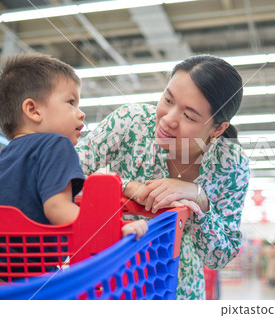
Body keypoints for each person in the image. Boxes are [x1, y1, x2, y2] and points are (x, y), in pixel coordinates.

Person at [0, 53, 147, 289]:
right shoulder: (57, 144)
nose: (81, 112)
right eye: (71, 102)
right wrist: (115, 229)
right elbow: (57, 208)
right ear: (33, 110)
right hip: (13, 280)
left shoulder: (6, 155)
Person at [76, 54, 250, 299]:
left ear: (218, 129)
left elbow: (220, 255)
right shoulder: (130, 123)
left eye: (189, 116)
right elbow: (64, 172)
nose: (168, 119)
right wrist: (125, 186)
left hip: (175, 283)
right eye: (168, 99)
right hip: (106, 275)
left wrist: (198, 198)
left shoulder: (231, 163)